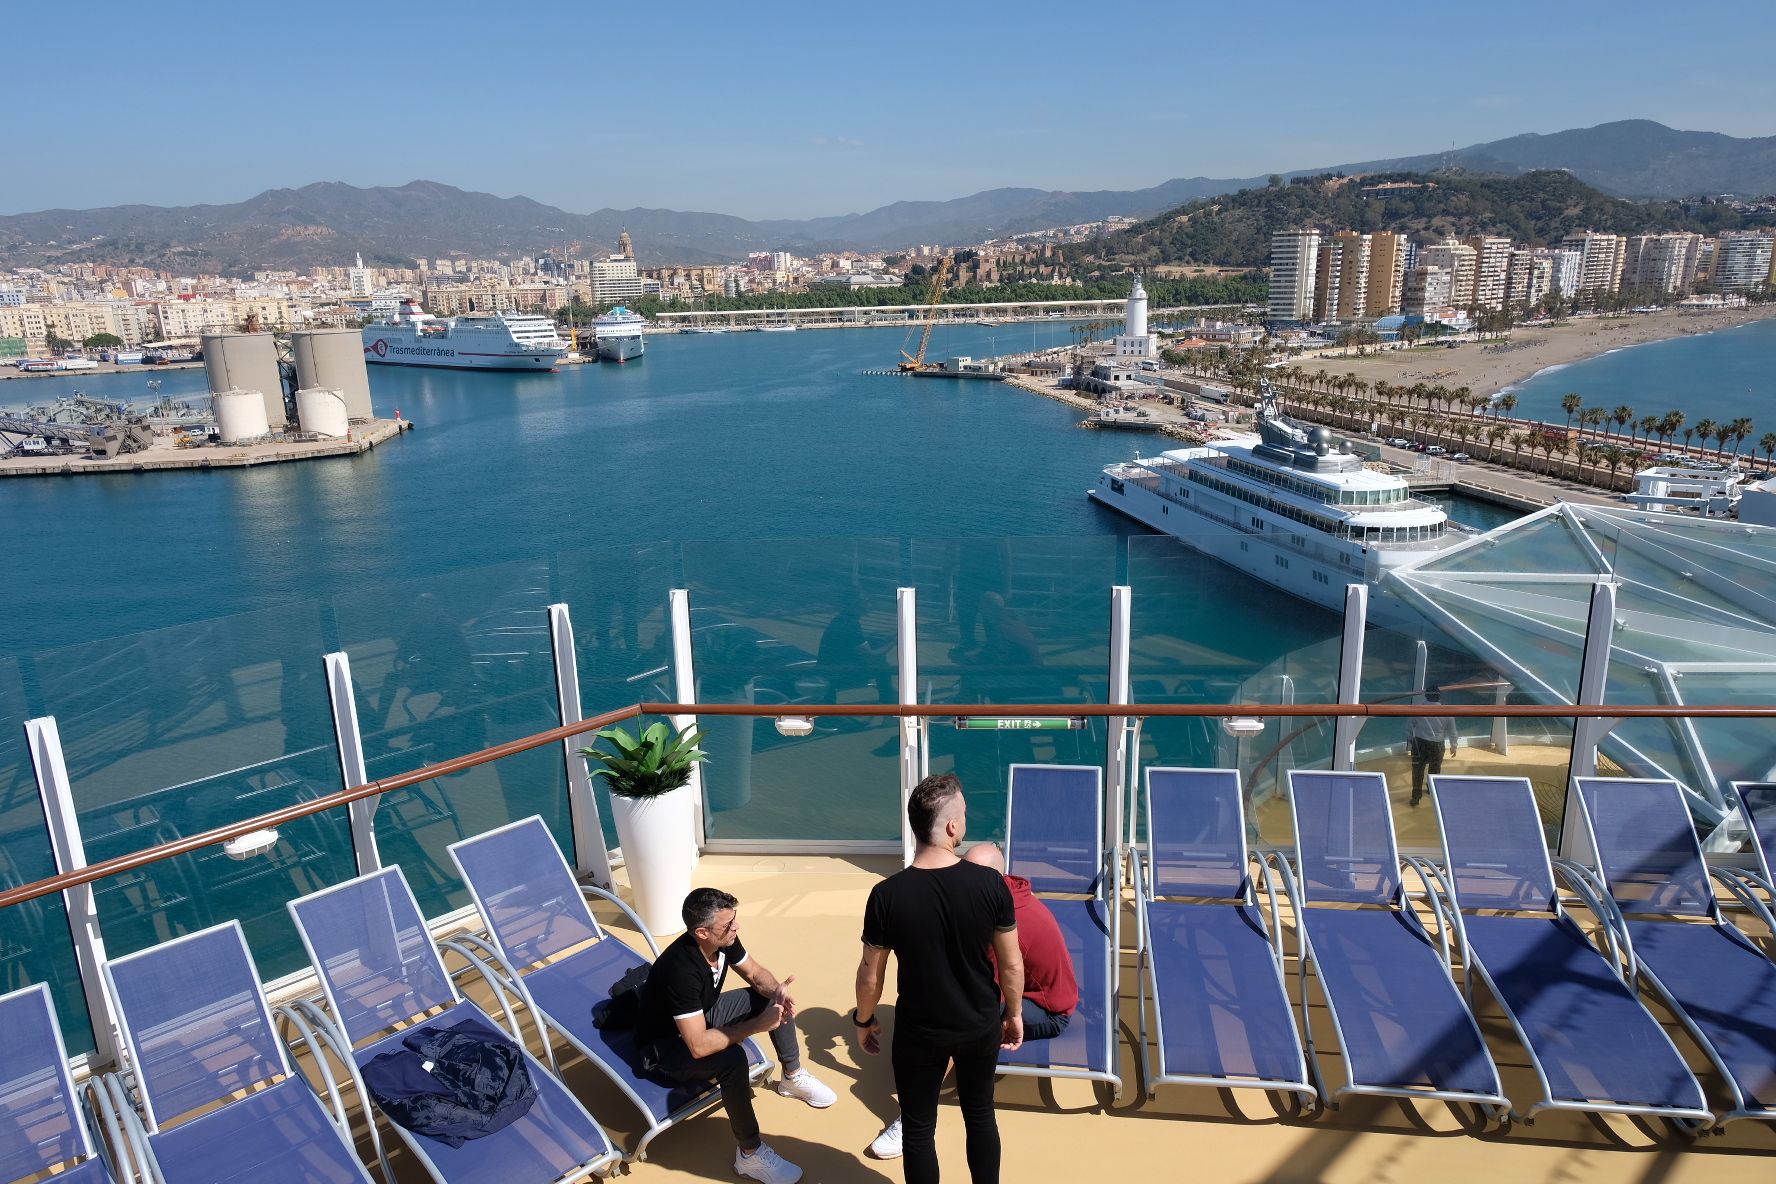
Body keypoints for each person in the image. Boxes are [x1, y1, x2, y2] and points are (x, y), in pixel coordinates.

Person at [854, 774, 1023, 1184]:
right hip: (979, 1023)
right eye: (963, 814)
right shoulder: (990, 884)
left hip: (920, 1032)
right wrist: (1013, 1013)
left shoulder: (886, 895)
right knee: (980, 1115)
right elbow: (1012, 964)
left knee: (918, 1128)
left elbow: (870, 973)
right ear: (951, 827)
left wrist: (864, 1020)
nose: (965, 820)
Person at [867, 840, 1078, 1161]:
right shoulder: (1001, 895)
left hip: (1047, 1010)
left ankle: (914, 1119)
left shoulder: (1001, 923)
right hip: (1022, 990)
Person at [638, 888, 836, 1184]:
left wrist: (777, 991)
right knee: (732, 1059)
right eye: (728, 925)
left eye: (735, 920)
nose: (736, 928)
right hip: (665, 1049)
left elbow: (756, 974)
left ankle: (791, 1077)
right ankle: (749, 1154)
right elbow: (697, 1046)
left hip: (699, 1019)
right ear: (702, 932)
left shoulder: (723, 940)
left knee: (770, 998)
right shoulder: (681, 971)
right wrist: (757, 1025)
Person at [1407, 689, 1458, 807]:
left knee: (1417, 770)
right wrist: (1453, 746)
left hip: (1419, 743)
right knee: (1435, 769)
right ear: (1439, 697)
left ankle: (1416, 797)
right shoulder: (1447, 712)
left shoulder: (1417, 710)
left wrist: (1410, 741)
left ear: (1426, 696)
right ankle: (1432, 789)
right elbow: (1452, 731)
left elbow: (1410, 727)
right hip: (1437, 744)